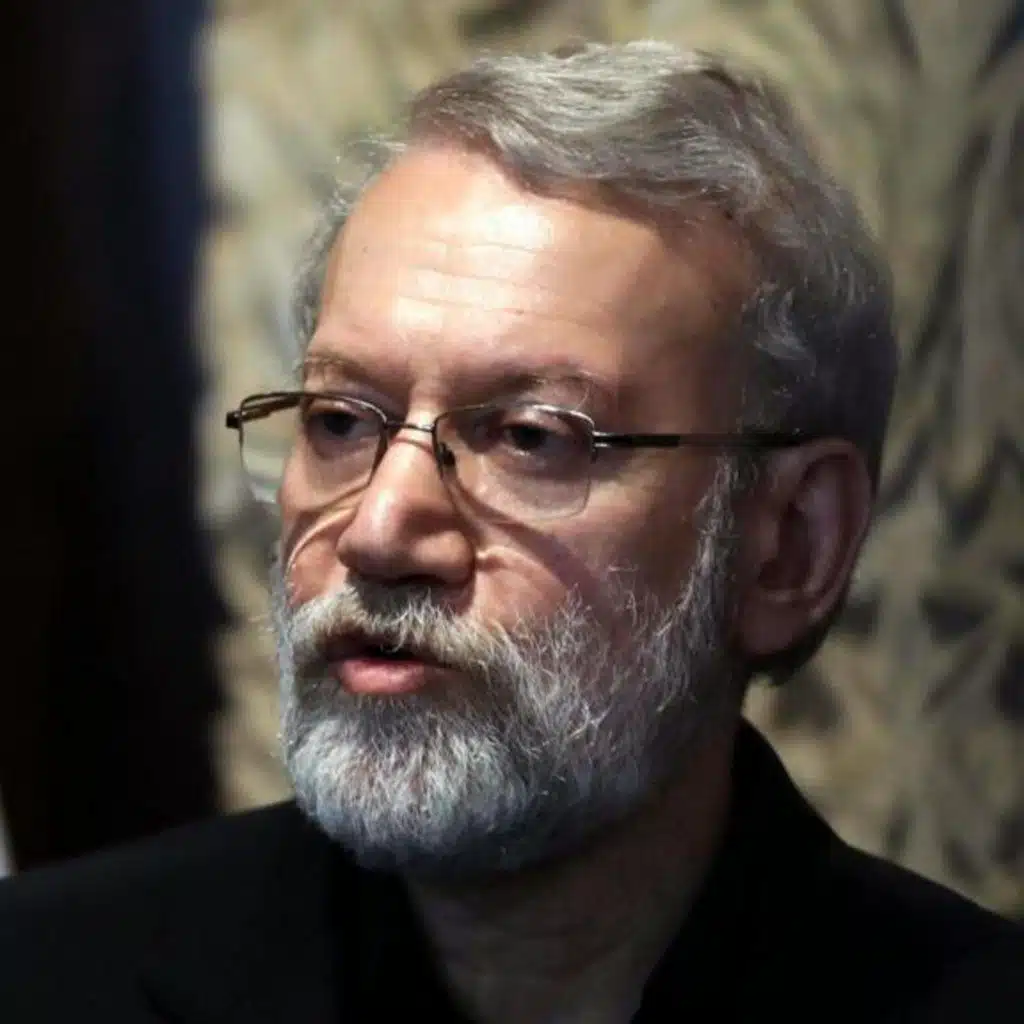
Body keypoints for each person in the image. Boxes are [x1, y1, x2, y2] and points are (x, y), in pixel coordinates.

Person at [1, 40, 1021, 1023]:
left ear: (789, 543)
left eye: (533, 437)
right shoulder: (42, 977)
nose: (378, 533)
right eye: (340, 421)